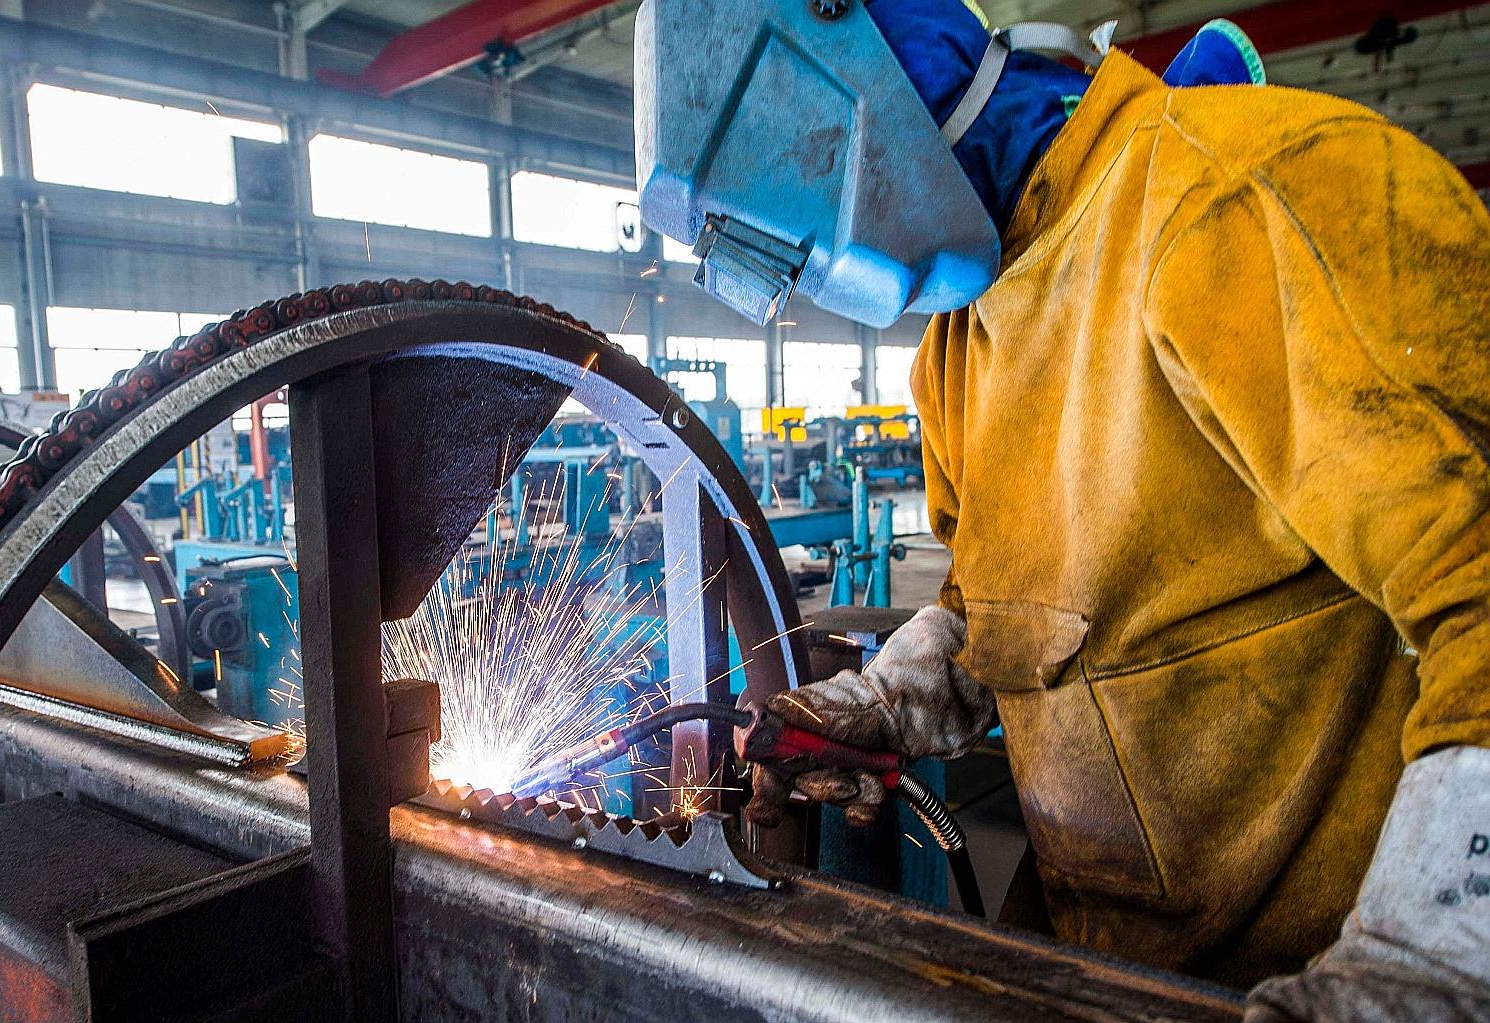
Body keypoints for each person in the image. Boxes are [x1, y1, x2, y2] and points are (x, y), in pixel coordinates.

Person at [636, 1, 1490, 1020]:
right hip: (1088, 961)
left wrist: (1425, 967)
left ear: (846, 96)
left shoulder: (1248, 194)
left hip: (1306, 967)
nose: (822, 272)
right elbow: (992, 605)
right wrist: (885, 702)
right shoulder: (957, 351)